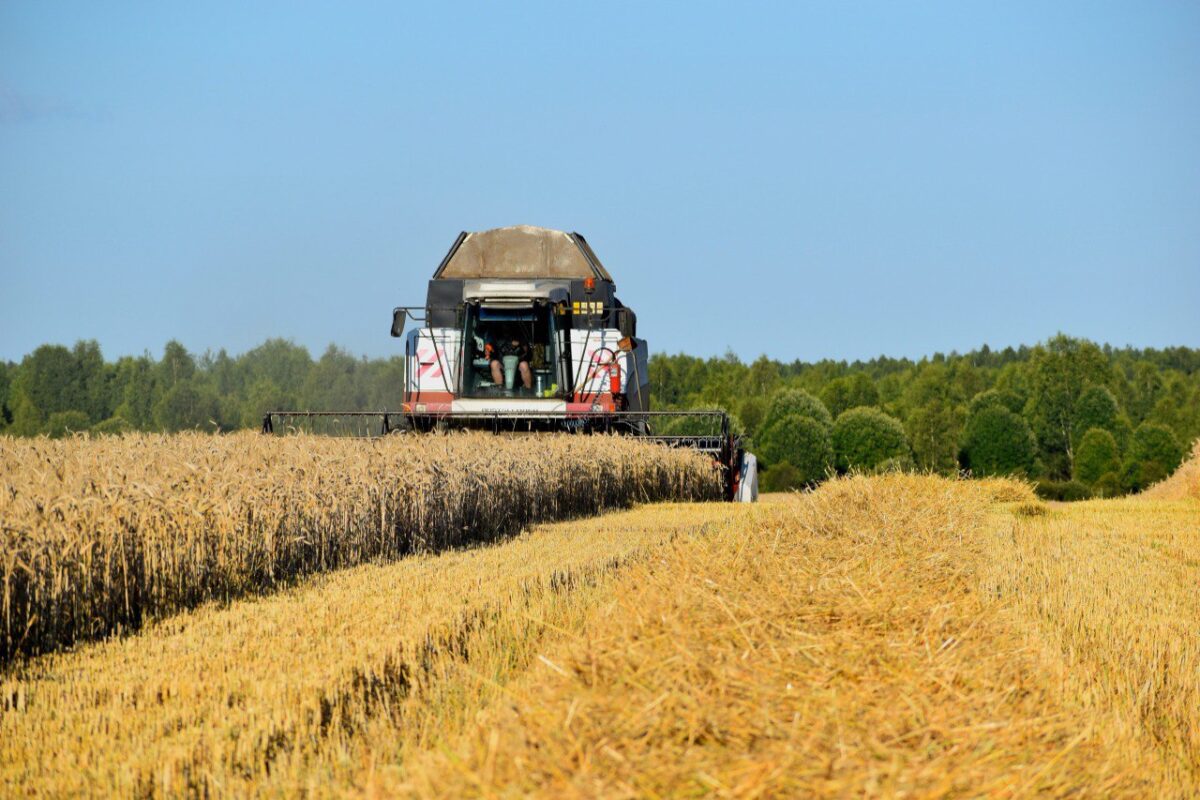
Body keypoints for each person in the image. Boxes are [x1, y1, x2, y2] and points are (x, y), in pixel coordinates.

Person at [487, 324, 532, 391]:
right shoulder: (496, 337)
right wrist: (488, 350)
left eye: (508, 324)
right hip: (502, 364)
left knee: (524, 365)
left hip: (517, 364)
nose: (506, 326)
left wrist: (519, 344)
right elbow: (489, 348)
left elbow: (527, 351)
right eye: (504, 324)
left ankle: (529, 390)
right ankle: (499, 389)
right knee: (494, 364)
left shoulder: (519, 336)